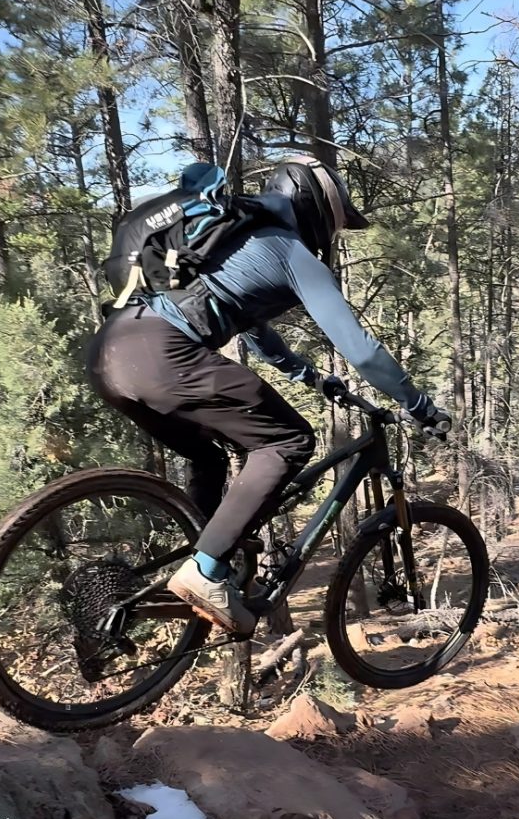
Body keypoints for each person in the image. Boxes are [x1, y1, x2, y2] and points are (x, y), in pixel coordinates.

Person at [86, 157, 450, 638]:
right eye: (337, 222)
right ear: (315, 205)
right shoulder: (292, 251)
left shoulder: (234, 243)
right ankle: (206, 570)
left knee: (209, 461)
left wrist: (312, 377)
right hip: (162, 355)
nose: (334, 235)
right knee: (289, 441)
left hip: (108, 354)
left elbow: (258, 336)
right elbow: (361, 351)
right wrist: (418, 404)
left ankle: (190, 566)